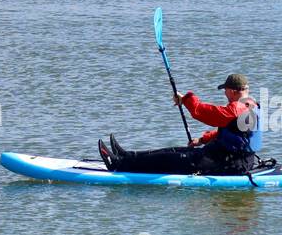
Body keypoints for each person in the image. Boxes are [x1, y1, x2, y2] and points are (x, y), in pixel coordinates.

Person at [99, 74, 263, 176]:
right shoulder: (251, 105)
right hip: (227, 157)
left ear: (233, 91)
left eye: (225, 90)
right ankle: (126, 156)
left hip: (228, 164)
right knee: (175, 150)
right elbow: (233, 134)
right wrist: (203, 139)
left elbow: (202, 112)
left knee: (171, 159)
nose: (224, 94)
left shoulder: (237, 108)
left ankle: (119, 165)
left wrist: (185, 99)